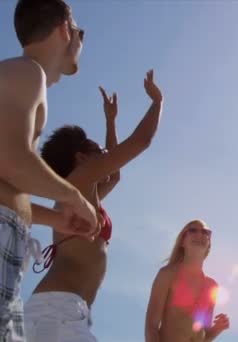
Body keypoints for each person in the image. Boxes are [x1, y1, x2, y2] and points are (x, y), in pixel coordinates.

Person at [24, 70, 164, 341]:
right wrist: (157, 103)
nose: (105, 154)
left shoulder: (83, 190)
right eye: (98, 150)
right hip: (57, 312)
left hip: (64, 312)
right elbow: (141, 142)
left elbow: (115, 173)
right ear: (81, 158)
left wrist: (110, 121)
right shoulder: (78, 182)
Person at [0, 0, 98, 339]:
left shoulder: (20, 74)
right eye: (80, 32)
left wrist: (55, 218)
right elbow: (11, 161)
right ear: (64, 29)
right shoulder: (29, 72)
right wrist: (74, 198)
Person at [146, 220, 230, 342]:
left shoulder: (212, 286)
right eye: (193, 230)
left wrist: (217, 329)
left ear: (209, 244)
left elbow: (203, 336)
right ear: (182, 241)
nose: (199, 234)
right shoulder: (168, 274)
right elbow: (151, 327)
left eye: (205, 232)